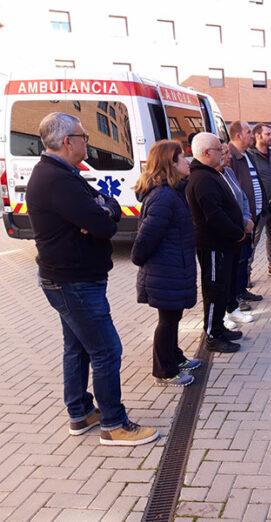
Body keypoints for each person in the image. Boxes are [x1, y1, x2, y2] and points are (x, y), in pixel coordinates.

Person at [26, 112, 159, 446]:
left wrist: (103, 210)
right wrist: (101, 214)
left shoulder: (64, 174)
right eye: (83, 136)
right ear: (68, 141)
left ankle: (81, 412)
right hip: (74, 282)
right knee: (106, 350)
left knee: (77, 348)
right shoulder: (56, 178)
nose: (87, 142)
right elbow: (103, 225)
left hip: (71, 279)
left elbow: (110, 206)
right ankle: (114, 424)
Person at [131, 140, 199, 387]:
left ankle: (174, 357)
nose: (188, 162)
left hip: (174, 267)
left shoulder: (174, 191)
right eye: (183, 157)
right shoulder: (164, 196)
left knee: (173, 316)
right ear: (171, 163)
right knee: (167, 320)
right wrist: (138, 259)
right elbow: (147, 236)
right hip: (165, 270)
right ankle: (164, 370)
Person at [186, 132, 246, 354]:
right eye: (218, 150)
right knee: (214, 290)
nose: (222, 153)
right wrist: (237, 233)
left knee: (222, 289)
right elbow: (214, 215)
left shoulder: (211, 174)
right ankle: (212, 335)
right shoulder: (202, 178)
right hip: (213, 246)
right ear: (206, 153)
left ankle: (219, 328)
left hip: (223, 245)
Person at [227, 121, 266, 321]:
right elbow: (232, 190)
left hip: (254, 215)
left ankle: (242, 290)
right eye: (248, 132)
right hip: (241, 219)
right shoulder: (230, 157)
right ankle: (234, 296)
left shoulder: (248, 155)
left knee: (246, 255)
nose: (252, 135)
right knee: (238, 258)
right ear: (238, 136)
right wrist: (243, 217)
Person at [218, 142, 253, 332]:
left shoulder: (229, 172)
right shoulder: (212, 177)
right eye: (224, 153)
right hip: (226, 234)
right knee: (221, 278)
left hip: (239, 229)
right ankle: (221, 314)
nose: (229, 156)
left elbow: (243, 197)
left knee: (233, 273)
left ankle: (232, 308)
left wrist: (246, 218)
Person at [247, 123, 271, 278]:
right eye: (268, 134)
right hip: (257, 207)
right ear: (257, 135)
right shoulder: (250, 156)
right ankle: (246, 273)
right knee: (254, 239)